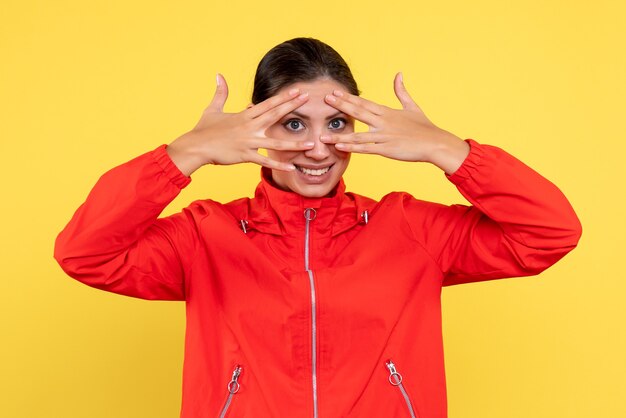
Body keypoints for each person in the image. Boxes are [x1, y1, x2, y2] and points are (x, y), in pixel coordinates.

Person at [54, 38, 582, 418]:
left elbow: (549, 232)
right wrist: (181, 156)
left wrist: (449, 150)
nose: (317, 147)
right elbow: (85, 253)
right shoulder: (205, 235)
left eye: (336, 124)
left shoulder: (409, 228)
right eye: (293, 124)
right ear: (255, 126)